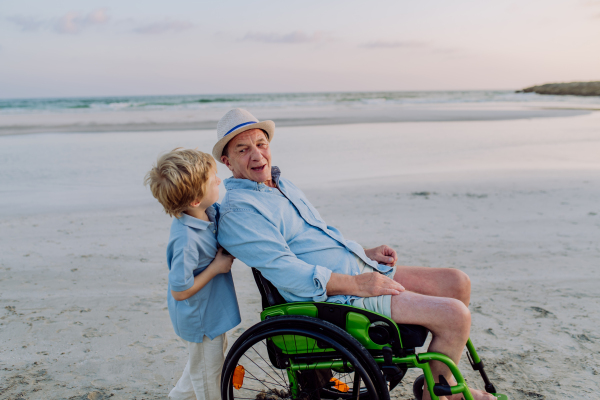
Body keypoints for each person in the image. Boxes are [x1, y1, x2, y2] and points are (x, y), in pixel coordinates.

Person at [214, 109, 496, 400]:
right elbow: (287, 272)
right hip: (335, 297)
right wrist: (358, 284)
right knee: (454, 316)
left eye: (261, 144)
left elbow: (319, 237)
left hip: (358, 272)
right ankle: (439, 395)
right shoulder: (241, 212)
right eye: (243, 150)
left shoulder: (279, 185)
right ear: (227, 161)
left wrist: (364, 252)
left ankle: (437, 385)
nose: (257, 155)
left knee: (456, 282)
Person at [144, 148, 240, 400]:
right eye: (212, 179)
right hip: (200, 318)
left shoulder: (208, 212)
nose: (219, 180)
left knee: (201, 367)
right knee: (209, 377)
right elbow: (180, 290)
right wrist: (216, 268)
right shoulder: (186, 239)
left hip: (212, 311)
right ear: (196, 200)